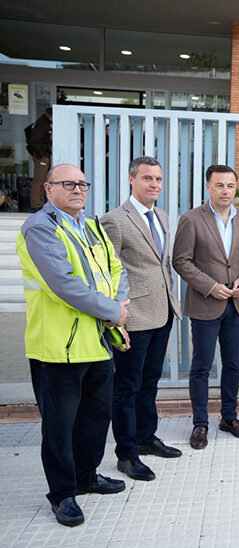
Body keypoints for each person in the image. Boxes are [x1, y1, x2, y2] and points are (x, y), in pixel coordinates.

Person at [16, 163, 130, 527]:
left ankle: (86, 475)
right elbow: (63, 283)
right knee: (59, 426)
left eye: (83, 183)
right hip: (58, 347)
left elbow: (117, 269)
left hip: (96, 342)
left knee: (96, 418)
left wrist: (118, 308)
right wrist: (112, 309)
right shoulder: (40, 228)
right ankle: (63, 493)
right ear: (48, 189)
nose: (78, 189)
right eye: (68, 183)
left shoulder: (91, 224)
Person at [101, 156, 183, 481]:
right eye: (148, 178)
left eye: (158, 179)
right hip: (133, 316)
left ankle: (146, 438)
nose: (154, 185)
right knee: (127, 387)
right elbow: (108, 270)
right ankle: (127, 455)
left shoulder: (161, 216)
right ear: (132, 179)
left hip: (163, 312)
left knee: (150, 383)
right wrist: (115, 314)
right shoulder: (115, 220)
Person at [172, 165, 239, 450]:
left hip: (236, 303)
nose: (225, 191)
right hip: (205, 303)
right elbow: (181, 260)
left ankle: (229, 417)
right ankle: (200, 422)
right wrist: (210, 286)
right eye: (219, 185)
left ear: (236, 189)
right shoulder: (191, 219)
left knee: (233, 364)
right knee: (201, 366)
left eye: (230, 186)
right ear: (208, 187)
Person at [25, 107, 52, 210]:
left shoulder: (41, 122)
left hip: (41, 155)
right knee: (39, 181)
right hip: (41, 156)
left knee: (43, 180)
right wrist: (41, 154)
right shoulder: (43, 124)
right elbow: (35, 140)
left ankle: (40, 204)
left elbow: (28, 131)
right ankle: (36, 205)